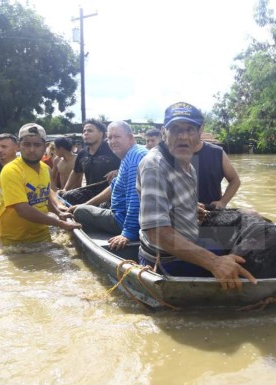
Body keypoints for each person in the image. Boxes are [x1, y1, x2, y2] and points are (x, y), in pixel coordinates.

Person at [137, 101, 256, 290]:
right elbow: (157, 232)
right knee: (244, 272)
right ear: (164, 132)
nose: (183, 136)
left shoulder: (188, 165)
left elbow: (163, 200)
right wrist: (215, 263)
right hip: (166, 261)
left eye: (190, 129)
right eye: (175, 129)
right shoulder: (154, 165)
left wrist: (191, 211)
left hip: (191, 242)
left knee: (247, 249)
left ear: (199, 133)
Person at [0, 123, 80, 247]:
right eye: (27, 144)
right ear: (19, 146)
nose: (32, 150)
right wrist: (60, 223)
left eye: (37, 145)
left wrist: (58, 213)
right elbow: (22, 209)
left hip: (41, 235)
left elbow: (44, 196)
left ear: (45, 146)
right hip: (13, 240)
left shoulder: (46, 169)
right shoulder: (11, 170)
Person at [72, 121, 148, 250]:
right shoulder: (130, 155)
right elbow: (113, 187)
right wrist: (87, 203)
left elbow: (135, 198)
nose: (112, 141)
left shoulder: (134, 158)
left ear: (130, 138)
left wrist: (128, 233)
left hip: (124, 220)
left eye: (117, 137)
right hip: (124, 214)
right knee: (84, 207)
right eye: (110, 138)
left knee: (79, 212)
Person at [61, 119, 120, 193]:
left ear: (101, 134)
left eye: (90, 131)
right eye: (84, 131)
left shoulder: (112, 148)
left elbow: (130, 164)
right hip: (91, 196)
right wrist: (65, 189)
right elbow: (76, 171)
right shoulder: (82, 153)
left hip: (114, 196)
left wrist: (118, 171)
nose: (86, 133)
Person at [191, 139, 241, 209]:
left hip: (212, 210)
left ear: (201, 129)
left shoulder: (217, 152)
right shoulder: (173, 154)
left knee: (252, 213)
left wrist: (223, 202)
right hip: (182, 212)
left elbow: (235, 180)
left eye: (190, 130)